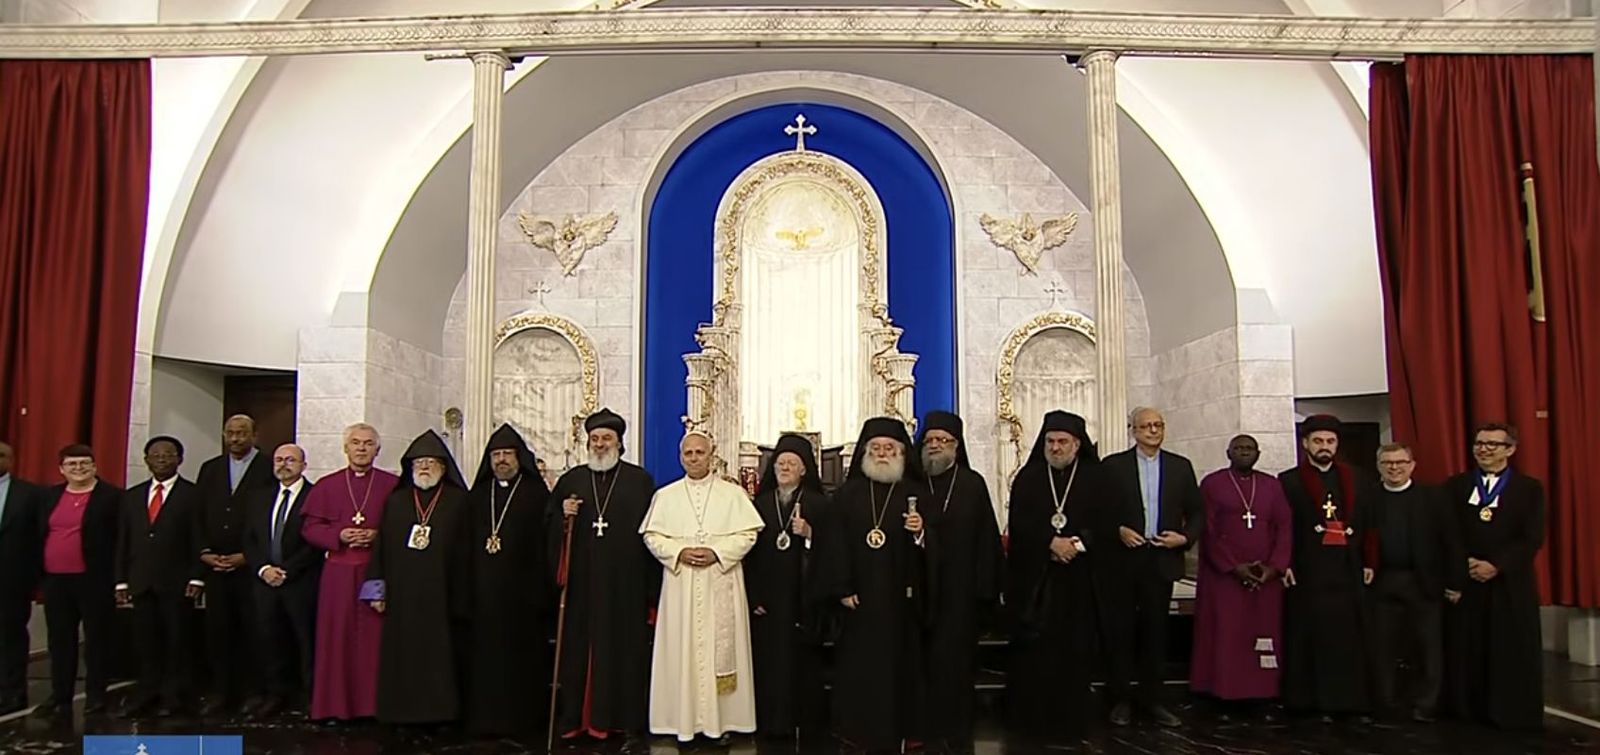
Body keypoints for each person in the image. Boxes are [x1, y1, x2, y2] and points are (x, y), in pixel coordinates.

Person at [548, 409, 659, 748]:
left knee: (624, 653)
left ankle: (625, 724)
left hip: (625, 587)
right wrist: (561, 516)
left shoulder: (639, 480)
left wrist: (650, 594)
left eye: (606, 439)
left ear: (619, 443)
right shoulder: (572, 480)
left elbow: (652, 535)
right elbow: (549, 526)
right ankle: (575, 722)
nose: (599, 444)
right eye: (594, 439)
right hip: (582, 587)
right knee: (578, 652)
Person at [642, 431, 763, 744]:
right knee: (681, 651)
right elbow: (652, 537)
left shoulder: (732, 495)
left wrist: (717, 553)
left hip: (721, 581)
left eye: (700, 452)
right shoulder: (665, 496)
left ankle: (724, 722)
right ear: (681, 457)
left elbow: (749, 535)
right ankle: (680, 722)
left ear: (712, 455)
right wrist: (679, 552)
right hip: (680, 584)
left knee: (719, 652)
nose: (694, 458)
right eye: (688, 453)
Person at [1004, 411, 1116, 742]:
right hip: (1037, 584)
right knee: (1035, 656)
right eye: (1050, 441)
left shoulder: (1098, 478)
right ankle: (1032, 723)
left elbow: (1108, 522)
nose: (1055, 447)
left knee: (1075, 653)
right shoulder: (1029, 478)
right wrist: (1050, 542)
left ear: (1077, 444)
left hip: (1082, 582)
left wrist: (1077, 544)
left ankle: (1072, 723)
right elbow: (1019, 526)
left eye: (1062, 441)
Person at [818, 417, 927, 752]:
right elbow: (833, 546)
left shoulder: (915, 494)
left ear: (901, 454)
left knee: (899, 668)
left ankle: (900, 729)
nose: (882, 454)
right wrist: (842, 588)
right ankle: (856, 729)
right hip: (859, 601)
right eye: (876, 448)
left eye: (889, 449)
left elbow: (936, 548)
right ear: (865, 453)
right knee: (859, 670)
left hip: (900, 602)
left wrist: (921, 532)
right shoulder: (847, 495)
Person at [360, 430, 472, 725]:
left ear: (444, 467)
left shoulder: (460, 501)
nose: (423, 467)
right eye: (418, 462)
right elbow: (381, 546)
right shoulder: (396, 501)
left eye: (430, 462)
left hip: (442, 595)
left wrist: (464, 596)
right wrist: (376, 590)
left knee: (439, 657)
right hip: (402, 595)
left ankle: (440, 714)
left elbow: (468, 551)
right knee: (403, 655)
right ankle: (400, 713)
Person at [1102, 407, 1202, 727]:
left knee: (1156, 634)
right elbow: (1097, 510)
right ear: (1133, 430)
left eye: (1158, 425)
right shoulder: (1113, 466)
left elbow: (1198, 513)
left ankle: (1153, 701)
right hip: (1122, 561)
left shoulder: (1180, 467)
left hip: (1161, 560)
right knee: (1122, 633)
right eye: (1146, 426)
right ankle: (1120, 699)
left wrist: (1184, 538)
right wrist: (1117, 529)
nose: (1153, 431)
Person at [1442, 423, 1545, 730]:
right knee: (1468, 647)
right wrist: (1466, 563)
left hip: (1509, 582)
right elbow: (1448, 532)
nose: (1483, 449)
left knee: (1508, 647)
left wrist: (1496, 565)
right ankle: (1468, 710)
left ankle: (1510, 711)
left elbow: (1531, 537)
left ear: (1510, 449)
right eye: (1479, 443)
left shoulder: (1529, 489)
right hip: (1468, 579)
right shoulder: (1456, 486)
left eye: (1492, 444)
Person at [913, 410, 1002, 750]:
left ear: (956, 445)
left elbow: (987, 540)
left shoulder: (972, 483)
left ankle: (956, 728)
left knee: (956, 664)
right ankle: (925, 727)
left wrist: (986, 590)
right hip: (918, 590)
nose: (935, 445)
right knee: (921, 664)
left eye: (943, 440)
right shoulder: (913, 483)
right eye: (930, 440)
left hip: (960, 592)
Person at [1279, 414, 1374, 722]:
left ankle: (1349, 701)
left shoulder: (1357, 477)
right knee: (1311, 635)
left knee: (1348, 637)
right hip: (1309, 570)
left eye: (1330, 441)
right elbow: (1283, 527)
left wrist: (1370, 560)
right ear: (1305, 443)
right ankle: (1311, 702)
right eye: (1318, 441)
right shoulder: (1288, 480)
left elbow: (1369, 523)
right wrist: (1286, 563)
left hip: (1347, 569)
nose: (1324, 447)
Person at [300, 422, 398, 721]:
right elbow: (310, 528)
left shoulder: (392, 485)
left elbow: (402, 525)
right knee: (336, 639)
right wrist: (340, 535)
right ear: (345, 448)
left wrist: (377, 535)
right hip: (338, 573)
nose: (361, 448)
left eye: (368, 443)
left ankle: (373, 706)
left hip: (375, 570)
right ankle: (335, 707)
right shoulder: (327, 485)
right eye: (355, 443)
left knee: (374, 641)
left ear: (377, 450)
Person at [1190, 435, 1292, 717]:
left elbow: (1284, 527)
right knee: (1227, 635)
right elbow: (1207, 529)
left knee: (1262, 634)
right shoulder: (1213, 484)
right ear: (1228, 453)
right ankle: (1223, 694)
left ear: (1258, 454)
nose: (1244, 453)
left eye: (1249, 449)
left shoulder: (1272, 486)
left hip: (1265, 577)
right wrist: (1234, 567)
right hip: (1225, 577)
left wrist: (1273, 567)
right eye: (1239, 449)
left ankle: (1262, 694)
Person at [464, 423, 554, 738]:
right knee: (484, 660)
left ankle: (524, 721)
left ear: (520, 458)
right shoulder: (476, 497)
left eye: (507, 454)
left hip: (524, 598)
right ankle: (484, 720)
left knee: (522, 661)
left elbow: (549, 544)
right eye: (496, 454)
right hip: (483, 595)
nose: (501, 460)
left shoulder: (536, 494)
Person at [743, 433, 829, 740]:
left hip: (805, 600)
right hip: (769, 601)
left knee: (803, 666)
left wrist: (809, 534)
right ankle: (772, 724)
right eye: (781, 463)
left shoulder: (820, 504)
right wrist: (754, 596)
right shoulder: (759, 504)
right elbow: (748, 556)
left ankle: (806, 724)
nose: (785, 468)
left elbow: (833, 551)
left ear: (805, 469)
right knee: (770, 664)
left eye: (792, 463)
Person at [115, 436, 206, 718]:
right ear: (146, 460)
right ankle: (146, 693)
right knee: (145, 643)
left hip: (177, 583)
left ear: (180, 459)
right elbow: (123, 540)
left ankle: (174, 696)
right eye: (155, 455)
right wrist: (121, 580)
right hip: (141, 581)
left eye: (168, 455)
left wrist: (197, 578)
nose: (162, 459)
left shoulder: (193, 495)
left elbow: (199, 538)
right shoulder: (132, 496)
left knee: (177, 641)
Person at [1369, 442, 1459, 724]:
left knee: (1428, 646)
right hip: (1383, 582)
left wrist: (1455, 582)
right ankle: (1386, 702)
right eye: (1388, 463)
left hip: (1423, 582)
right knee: (1383, 646)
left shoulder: (1433, 497)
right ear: (1379, 467)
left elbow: (1451, 542)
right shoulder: (1368, 498)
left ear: (1412, 465)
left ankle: (1425, 703)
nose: (1394, 468)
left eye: (1400, 462)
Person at [32, 445, 121, 719]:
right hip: (56, 580)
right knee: (60, 641)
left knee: (96, 640)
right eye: (72, 464)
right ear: (61, 469)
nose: (78, 468)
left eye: (84, 463)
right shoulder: (50, 496)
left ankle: (96, 696)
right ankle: (60, 696)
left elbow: (120, 539)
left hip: (94, 580)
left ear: (94, 466)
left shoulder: (112, 497)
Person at [194, 414, 275, 716]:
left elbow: (270, 518)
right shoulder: (210, 469)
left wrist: (248, 555)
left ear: (255, 434)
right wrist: (204, 552)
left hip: (250, 565)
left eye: (242, 433)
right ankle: (220, 691)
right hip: (215, 564)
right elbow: (198, 514)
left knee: (253, 631)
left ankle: (254, 691)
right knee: (218, 632)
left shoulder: (268, 467)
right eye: (231, 433)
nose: (236, 438)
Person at [242, 444, 321, 719]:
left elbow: (315, 541)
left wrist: (286, 570)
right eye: (278, 460)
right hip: (265, 583)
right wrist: (263, 568)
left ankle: (310, 697)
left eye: (290, 460)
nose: (283, 465)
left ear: (303, 465)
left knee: (305, 641)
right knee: (270, 640)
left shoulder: (315, 496)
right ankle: (276, 695)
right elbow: (250, 538)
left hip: (300, 582)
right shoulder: (259, 497)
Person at [0, 441, 42, 715]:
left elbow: (38, 539)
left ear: (12, 460)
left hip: (13, 580)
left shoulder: (30, 495)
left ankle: (12, 693)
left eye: (1, 455)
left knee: (10, 638)